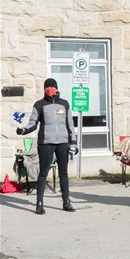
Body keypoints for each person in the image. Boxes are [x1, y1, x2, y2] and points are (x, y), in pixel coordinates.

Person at [16, 78, 78, 215]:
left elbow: (70, 125)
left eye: (52, 86)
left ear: (56, 88)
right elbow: (33, 123)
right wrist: (23, 130)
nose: (50, 88)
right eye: (47, 87)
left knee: (64, 173)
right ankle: (39, 203)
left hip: (63, 143)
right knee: (43, 173)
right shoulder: (39, 104)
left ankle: (66, 201)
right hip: (46, 143)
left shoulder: (64, 104)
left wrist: (73, 142)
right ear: (44, 89)